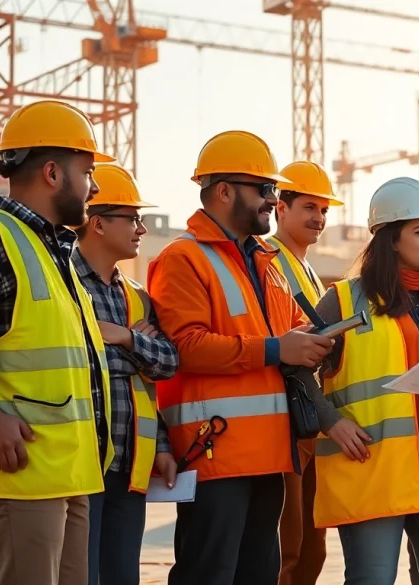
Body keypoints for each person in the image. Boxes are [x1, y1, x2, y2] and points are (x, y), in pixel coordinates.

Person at [147, 130, 335, 585]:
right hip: (214, 454)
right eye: (264, 189)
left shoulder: (267, 262)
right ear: (225, 190)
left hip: (269, 454)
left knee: (259, 573)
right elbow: (185, 347)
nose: (273, 199)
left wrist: (315, 339)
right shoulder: (182, 258)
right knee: (208, 574)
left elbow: (291, 333)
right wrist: (276, 348)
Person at [0, 99, 113, 585]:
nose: (94, 186)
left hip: (64, 473)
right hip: (19, 475)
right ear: (54, 173)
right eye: (88, 171)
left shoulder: (52, 249)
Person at [310, 177, 419, 585]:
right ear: (392, 239)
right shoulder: (343, 299)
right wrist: (330, 421)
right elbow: (295, 368)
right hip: (374, 465)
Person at [73, 163, 180, 585]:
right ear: (97, 223)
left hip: (130, 463)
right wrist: (133, 350)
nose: (141, 227)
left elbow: (167, 365)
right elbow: (78, 359)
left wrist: (124, 338)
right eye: (132, 218)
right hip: (81, 463)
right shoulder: (66, 284)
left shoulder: (136, 296)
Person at [264, 160, 343, 585]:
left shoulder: (308, 270)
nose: (318, 217)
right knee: (288, 550)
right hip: (285, 420)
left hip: (310, 420)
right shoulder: (269, 261)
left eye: (324, 210)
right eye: (309, 207)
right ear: (281, 207)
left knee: (313, 546)